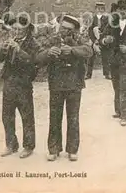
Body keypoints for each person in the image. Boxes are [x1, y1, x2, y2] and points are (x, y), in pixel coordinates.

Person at [36, 15, 93, 162]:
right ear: (59, 26)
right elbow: (38, 58)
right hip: (56, 84)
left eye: (68, 30)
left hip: (74, 84)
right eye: (63, 28)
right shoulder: (52, 38)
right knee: (55, 117)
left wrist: (73, 50)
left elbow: (89, 51)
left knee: (73, 118)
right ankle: (53, 149)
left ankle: (72, 150)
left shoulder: (80, 38)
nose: (64, 32)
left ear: (74, 30)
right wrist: (48, 53)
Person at [0, 14, 39, 159]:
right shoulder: (10, 41)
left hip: (24, 84)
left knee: (27, 116)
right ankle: (11, 145)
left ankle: (28, 146)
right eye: (14, 29)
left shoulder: (33, 44)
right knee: (7, 116)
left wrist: (19, 50)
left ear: (27, 30)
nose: (17, 32)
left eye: (20, 30)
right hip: (9, 83)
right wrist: (2, 48)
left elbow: (33, 64)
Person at [86, 1, 111, 79]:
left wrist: (102, 39)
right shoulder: (92, 18)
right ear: (95, 9)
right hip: (94, 40)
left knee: (106, 56)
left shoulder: (107, 18)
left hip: (103, 39)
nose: (100, 10)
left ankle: (107, 73)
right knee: (90, 55)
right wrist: (94, 40)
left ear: (104, 10)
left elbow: (108, 30)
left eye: (102, 9)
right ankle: (88, 74)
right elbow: (90, 30)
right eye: (98, 8)